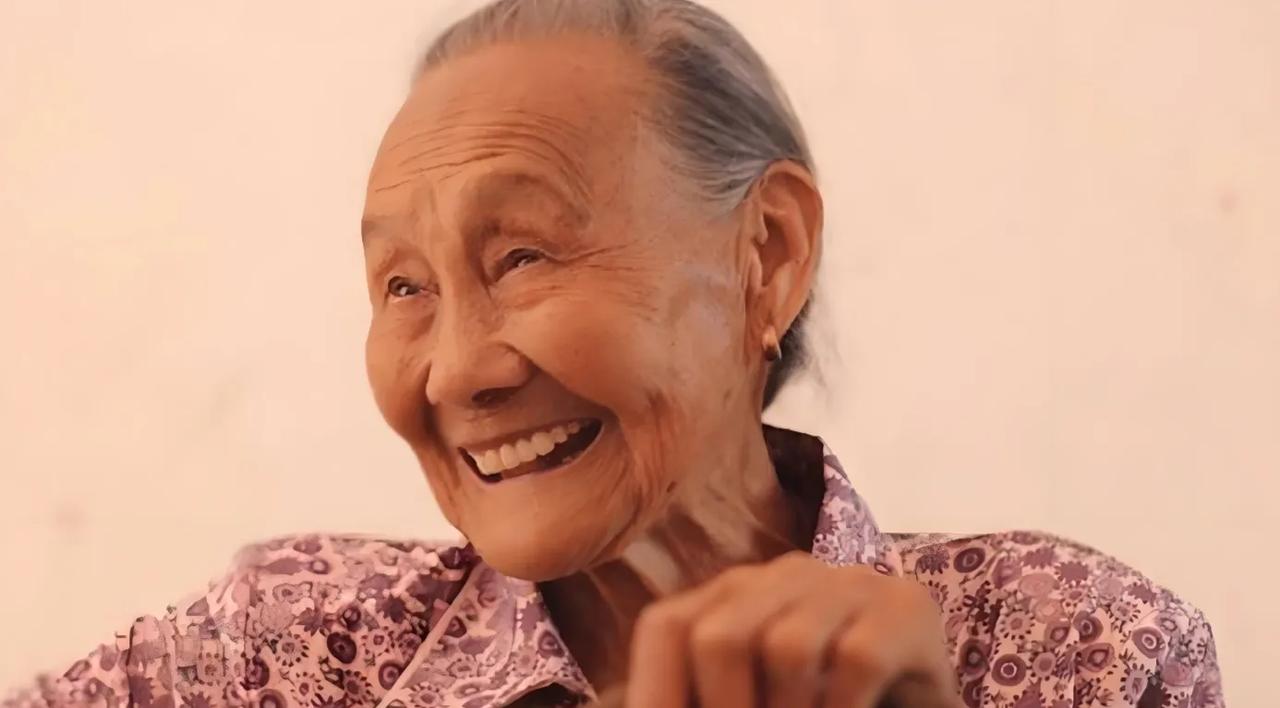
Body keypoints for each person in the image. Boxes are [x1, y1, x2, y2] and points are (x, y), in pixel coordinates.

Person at [4, 1, 1224, 706]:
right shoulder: (283, 655)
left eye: (523, 256)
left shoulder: (1072, 650)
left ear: (766, 255)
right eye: (402, 286)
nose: (456, 371)